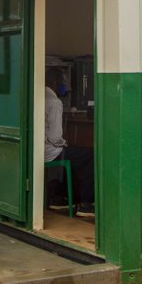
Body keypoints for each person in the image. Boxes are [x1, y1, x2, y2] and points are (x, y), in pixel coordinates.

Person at [45, 68, 95, 216]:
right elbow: (55, 138)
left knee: (72, 156)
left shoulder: (38, 95)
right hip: (50, 151)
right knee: (91, 156)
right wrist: (64, 143)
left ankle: (61, 198)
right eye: (63, 83)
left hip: (40, 150)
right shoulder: (55, 102)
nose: (66, 87)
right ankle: (86, 204)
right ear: (55, 82)